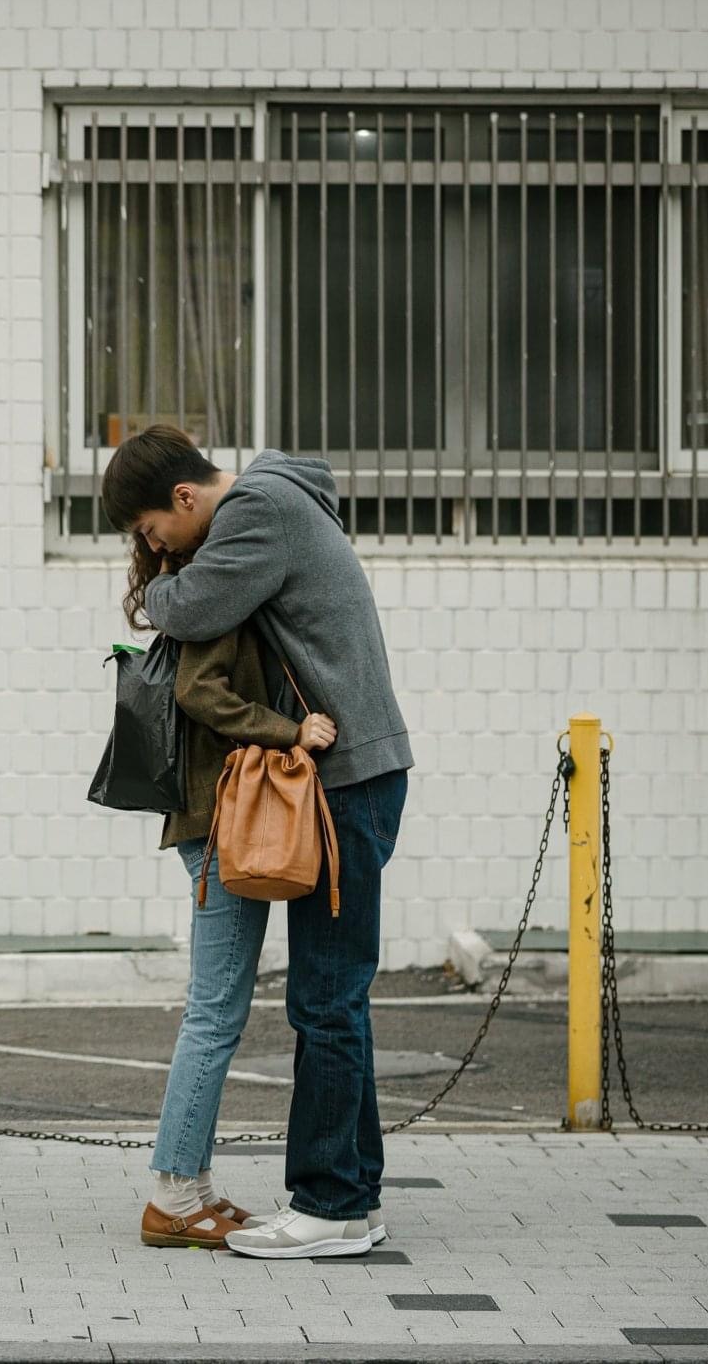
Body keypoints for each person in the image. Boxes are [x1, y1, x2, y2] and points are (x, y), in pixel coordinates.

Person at [103, 424, 413, 1261]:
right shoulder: (281, 499)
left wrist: (161, 587)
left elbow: (186, 609)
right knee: (335, 994)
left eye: (151, 532)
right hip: (355, 773)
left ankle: (329, 1207)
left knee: (325, 998)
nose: (154, 549)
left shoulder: (256, 510)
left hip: (345, 776)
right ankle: (353, 1194)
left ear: (184, 498)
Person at [125, 532, 340, 1249]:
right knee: (214, 1014)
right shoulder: (218, 598)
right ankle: (173, 1197)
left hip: (211, 821)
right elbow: (198, 690)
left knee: (218, 1011)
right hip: (223, 823)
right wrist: (289, 732)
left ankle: (197, 1185)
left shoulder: (201, 593)